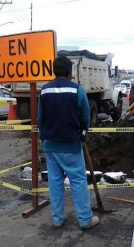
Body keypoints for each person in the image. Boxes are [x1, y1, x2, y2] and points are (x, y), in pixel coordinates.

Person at [38, 56, 99, 230]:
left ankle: (57, 219)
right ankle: (85, 219)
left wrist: (45, 138)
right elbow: (85, 119)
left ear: (53, 71)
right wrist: (82, 136)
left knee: (55, 182)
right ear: (70, 72)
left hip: (51, 146)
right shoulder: (78, 91)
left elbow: (40, 119)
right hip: (71, 146)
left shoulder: (44, 91)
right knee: (78, 181)